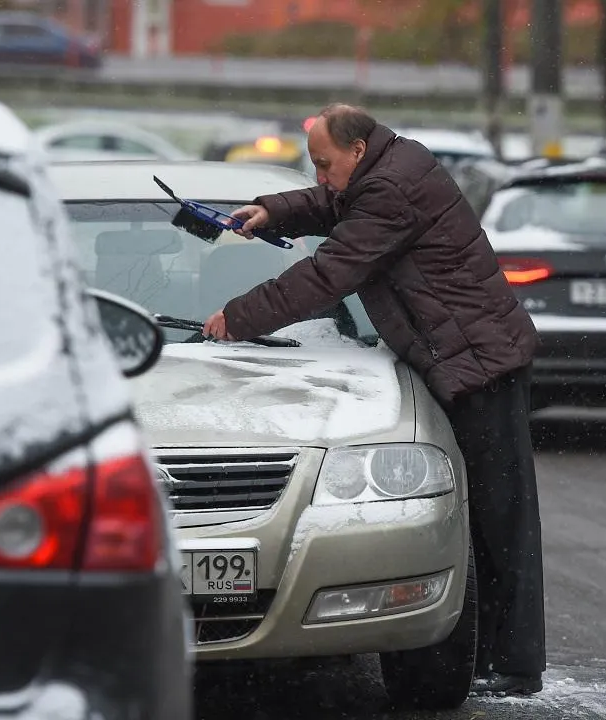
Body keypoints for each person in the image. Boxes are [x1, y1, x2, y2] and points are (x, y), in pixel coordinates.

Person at [201, 104, 548, 697]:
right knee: (484, 513)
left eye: (324, 164)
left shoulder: (390, 190)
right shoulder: (384, 167)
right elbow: (331, 203)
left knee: (500, 516)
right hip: (462, 355)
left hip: (480, 362)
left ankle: (515, 663)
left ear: (358, 151)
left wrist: (238, 318)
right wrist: (272, 210)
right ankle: (495, 653)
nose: (319, 177)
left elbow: (329, 275)